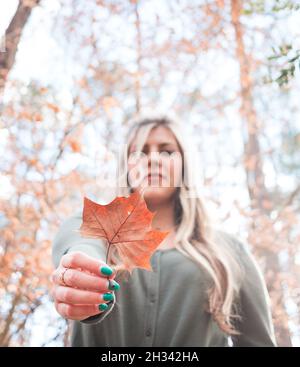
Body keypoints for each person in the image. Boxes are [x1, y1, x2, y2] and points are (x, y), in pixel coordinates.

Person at [51, 113, 277, 347]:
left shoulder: (230, 250)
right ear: (126, 165)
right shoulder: (91, 223)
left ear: (184, 165)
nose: (153, 159)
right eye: (140, 152)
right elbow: (83, 248)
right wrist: (85, 277)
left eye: (167, 151)